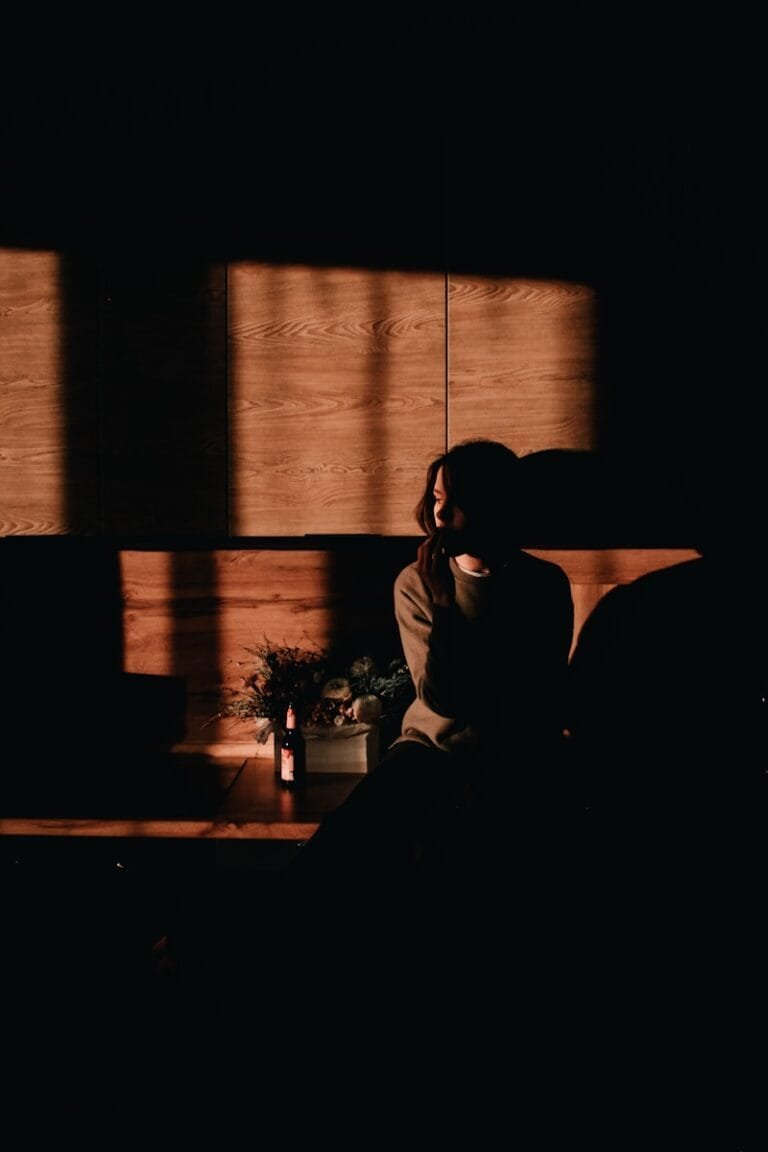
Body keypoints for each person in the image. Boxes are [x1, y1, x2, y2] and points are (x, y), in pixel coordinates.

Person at [284, 438, 575, 917]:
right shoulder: (417, 583)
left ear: (493, 505)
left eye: (456, 502)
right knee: (345, 841)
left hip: (514, 755)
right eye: (437, 499)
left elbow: (535, 693)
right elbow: (442, 698)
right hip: (431, 749)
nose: (440, 516)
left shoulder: (542, 584)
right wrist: (443, 606)